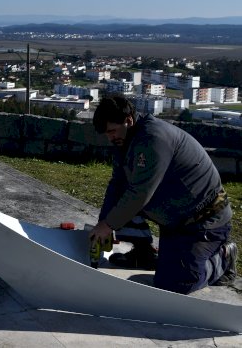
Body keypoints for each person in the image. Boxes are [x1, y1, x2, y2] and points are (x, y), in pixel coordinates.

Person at [89, 95, 237, 294]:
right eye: (106, 133)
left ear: (129, 120)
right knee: (120, 203)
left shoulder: (153, 139)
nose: (110, 137)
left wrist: (108, 225)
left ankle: (224, 258)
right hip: (176, 217)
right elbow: (117, 185)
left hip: (204, 222)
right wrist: (103, 223)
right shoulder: (125, 141)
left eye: (112, 131)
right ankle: (143, 255)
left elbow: (140, 193)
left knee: (175, 284)